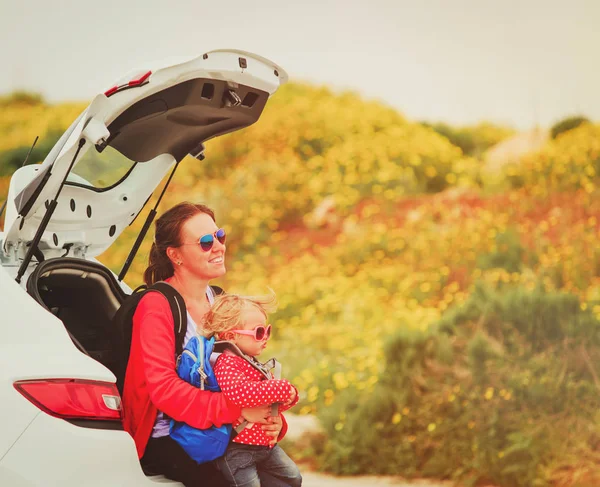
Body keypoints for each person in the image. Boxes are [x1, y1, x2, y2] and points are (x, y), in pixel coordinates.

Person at [122, 202, 286, 487]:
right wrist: (238, 411)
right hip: (172, 437)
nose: (218, 247)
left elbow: (245, 371)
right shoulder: (156, 306)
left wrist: (272, 419)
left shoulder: (222, 301)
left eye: (219, 236)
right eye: (206, 242)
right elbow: (164, 390)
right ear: (175, 255)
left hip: (222, 428)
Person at [201, 293, 302, 487]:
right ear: (231, 335)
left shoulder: (251, 362)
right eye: (258, 332)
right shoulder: (227, 362)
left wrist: (290, 396)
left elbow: (268, 400)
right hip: (238, 448)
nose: (265, 338)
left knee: (292, 478)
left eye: (267, 331)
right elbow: (241, 393)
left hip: (265, 446)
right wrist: (281, 388)